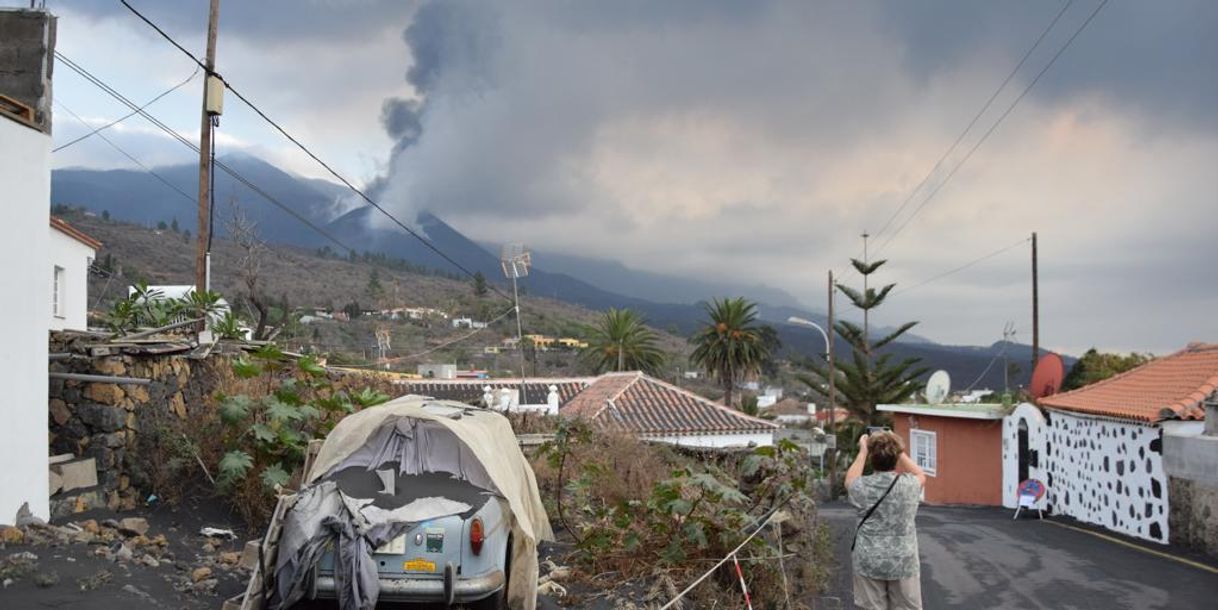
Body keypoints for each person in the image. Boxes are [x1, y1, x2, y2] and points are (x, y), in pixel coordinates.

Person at [846, 430, 927, 610]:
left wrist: (862, 451)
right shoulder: (909, 484)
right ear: (896, 458)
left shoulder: (861, 486)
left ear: (872, 458)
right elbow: (921, 474)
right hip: (903, 561)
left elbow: (850, 478)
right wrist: (898, 449)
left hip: (868, 560)